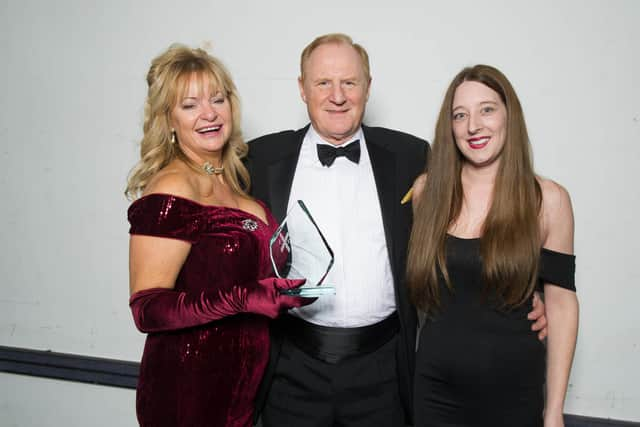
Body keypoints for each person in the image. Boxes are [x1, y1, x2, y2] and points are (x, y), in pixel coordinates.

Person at [247, 35, 547, 427]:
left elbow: (484, 207)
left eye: (350, 83)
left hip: (385, 374)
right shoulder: (258, 160)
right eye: (323, 83)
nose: (337, 95)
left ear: (368, 88)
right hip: (292, 370)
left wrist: (533, 288)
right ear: (302, 89)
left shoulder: (412, 157)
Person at [124, 44, 312, 427]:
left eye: (217, 99)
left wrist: (277, 292)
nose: (209, 113)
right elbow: (147, 308)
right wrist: (246, 298)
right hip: (188, 389)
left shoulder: (237, 184)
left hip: (243, 392)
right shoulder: (173, 185)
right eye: (190, 105)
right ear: (168, 119)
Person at [407, 64, 579, 427]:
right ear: (449, 126)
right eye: (460, 115)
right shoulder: (427, 193)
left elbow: (561, 304)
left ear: (508, 116)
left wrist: (554, 412)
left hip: (514, 394)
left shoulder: (547, 200)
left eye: (487, 109)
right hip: (434, 393)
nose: (473, 126)